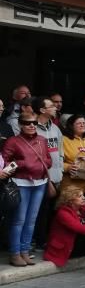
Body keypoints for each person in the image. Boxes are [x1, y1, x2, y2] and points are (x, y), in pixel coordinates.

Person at [2, 113, 51, 266]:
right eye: (27, 123)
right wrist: (22, 164)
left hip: (40, 183)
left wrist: (43, 164)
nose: (31, 126)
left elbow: (49, 159)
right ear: (20, 124)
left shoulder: (42, 140)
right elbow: (5, 162)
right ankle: (15, 253)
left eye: (34, 123)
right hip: (21, 182)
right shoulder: (13, 141)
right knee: (19, 220)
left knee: (31, 220)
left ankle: (25, 250)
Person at [33, 96, 64, 249]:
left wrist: (61, 170)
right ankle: (39, 241)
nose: (55, 108)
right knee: (40, 211)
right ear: (42, 110)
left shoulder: (55, 128)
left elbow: (60, 151)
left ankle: (48, 239)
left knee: (52, 211)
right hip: (41, 178)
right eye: (51, 105)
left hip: (57, 177)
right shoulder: (33, 128)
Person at [61, 114, 85, 197]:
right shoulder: (63, 140)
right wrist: (68, 167)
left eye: (84, 123)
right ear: (71, 126)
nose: (82, 125)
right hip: (71, 188)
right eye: (79, 123)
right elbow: (55, 162)